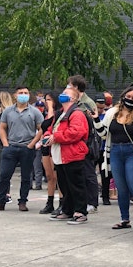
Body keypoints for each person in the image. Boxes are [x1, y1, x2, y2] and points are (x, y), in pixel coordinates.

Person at [95, 84, 133, 231]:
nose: (131, 99)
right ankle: (124, 218)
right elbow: (103, 134)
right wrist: (96, 119)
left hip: (132, 151)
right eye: (129, 96)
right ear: (123, 96)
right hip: (114, 151)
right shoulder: (112, 112)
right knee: (121, 187)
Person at [0, 86, 44, 211]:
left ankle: (22, 201)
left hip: (27, 148)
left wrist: (32, 144)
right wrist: (5, 143)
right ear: (15, 95)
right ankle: (0, 201)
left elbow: (41, 129)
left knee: (26, 176)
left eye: (26, 93)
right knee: (4, 175)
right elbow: (2, 127)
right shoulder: (8, 111)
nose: (23, 95)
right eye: (21, 93)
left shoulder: (34, 111)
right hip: (10, 147)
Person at [44, 85, 90, 224]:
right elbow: (51, 129)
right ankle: (68, 209)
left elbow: (76, 132)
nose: (62, 94)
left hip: (72, 154)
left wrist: (55, 137)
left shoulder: (76, 114)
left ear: (74, 98)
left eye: (66, 93)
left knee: (76, 184)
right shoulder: (60, 114)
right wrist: (47, 136)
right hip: (60, 155)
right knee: (64, 185)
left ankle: (80, 211)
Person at [67, 75, 100, 213]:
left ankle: (92, 202)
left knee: (89, 173)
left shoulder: (87, 103)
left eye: (69, 85)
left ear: (75, 86)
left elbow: (93, 123)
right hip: (76, 143)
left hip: (87, 142)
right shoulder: (73, 102)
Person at [37, 92, 61, 215]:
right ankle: (50, 202)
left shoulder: (58, 114)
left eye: (50, 100)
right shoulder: (46, 115)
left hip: (54, 146)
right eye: (46, 100)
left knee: (57, 176)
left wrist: (51, 107)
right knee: (49, 176)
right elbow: (43, 129)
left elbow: (52, 121)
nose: (47, 102)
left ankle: (62, 202)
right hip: (45, 146)